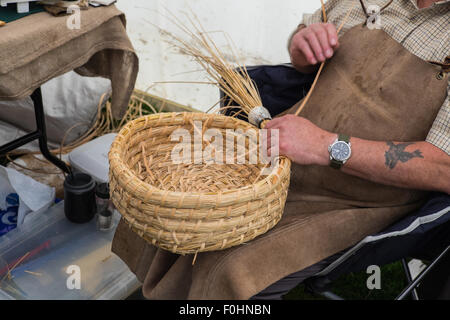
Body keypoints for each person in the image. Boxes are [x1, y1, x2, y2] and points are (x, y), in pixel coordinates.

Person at [111, 0, 449, 300]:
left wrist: (326, 146)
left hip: (355, 197)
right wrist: (302, 45)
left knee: (234, 268)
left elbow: (443, 167)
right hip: (279, 150)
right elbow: (304, 39)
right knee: (172, 197)